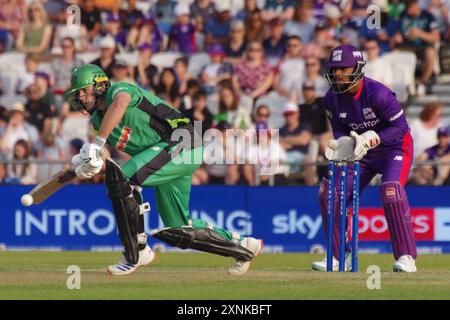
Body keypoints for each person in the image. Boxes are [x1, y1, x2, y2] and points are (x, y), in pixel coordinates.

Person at [65, 64, 262, 276]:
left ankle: (137, 251)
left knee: (124, 180)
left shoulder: (120, 90)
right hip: (169, 156)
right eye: (79, 94)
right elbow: (104, 149)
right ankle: (245, 247)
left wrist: (98, 142)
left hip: (183, 141)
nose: (82, 98)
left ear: (100, 85)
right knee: (179, 229)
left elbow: (119, 105)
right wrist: (89, 161)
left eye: (84, 91)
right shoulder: (97, 120)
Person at [312, 44, 417, 273]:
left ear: (358, 68)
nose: (338, 74)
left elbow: (401, 128)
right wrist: (343, 143)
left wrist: (372, 138)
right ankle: (342, 257)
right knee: (330, 193)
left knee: (391, 191)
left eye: (343, 69)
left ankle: (406, 257)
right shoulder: (332, 98)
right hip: (361, 153)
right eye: (334, 69)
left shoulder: (377, 93)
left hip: (394, 149)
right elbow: (339, 130)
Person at [392, 0, 440, 96]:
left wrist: (420, 34)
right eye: (407, 7)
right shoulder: (402, 15)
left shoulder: (428, 16)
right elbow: (397, 32)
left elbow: (436, 37)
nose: (409, 11)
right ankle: (403, 84)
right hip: (406, 46)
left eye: (411, 7)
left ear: (417, 6)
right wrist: (397, 37)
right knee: (393, 52)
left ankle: (423, 83)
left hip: (423, 46)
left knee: (430, 52)